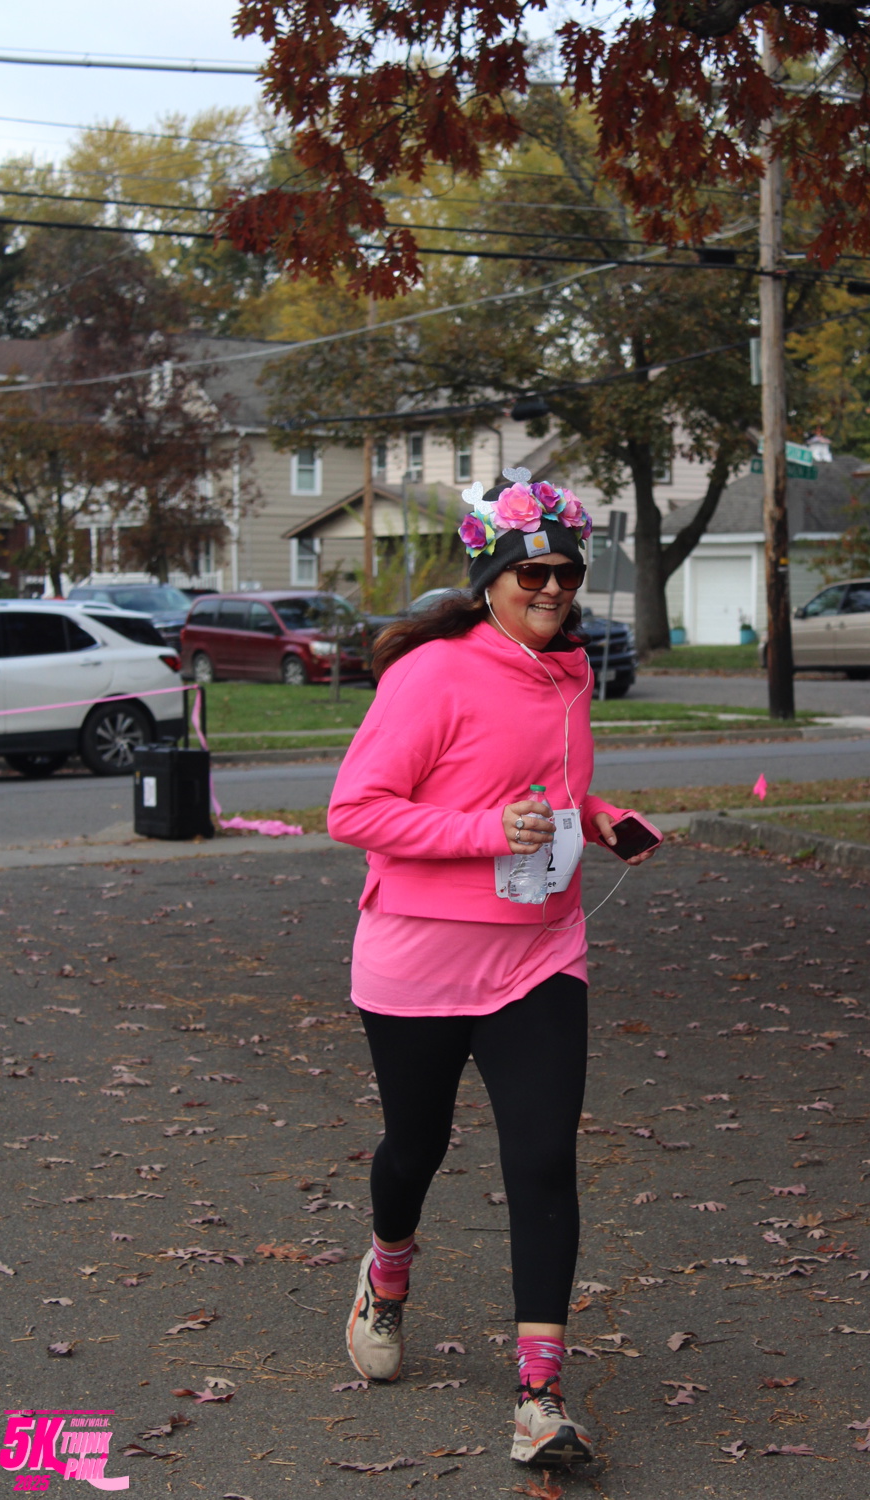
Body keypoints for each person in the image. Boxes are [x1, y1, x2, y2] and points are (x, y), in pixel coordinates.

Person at [326, 471, 660, 1467]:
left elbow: (547, 792)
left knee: (543, 1157)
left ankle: (539, 1400)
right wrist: (484, 833)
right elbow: (355, 811)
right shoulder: (431, 674)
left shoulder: (569, 673)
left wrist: (601, 819)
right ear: (492, 578)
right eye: (533, 573)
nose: (553, 589)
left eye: (568, 573)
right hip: (421, 955)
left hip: (539, 949)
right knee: (415, 1149)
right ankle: (387, 1274)